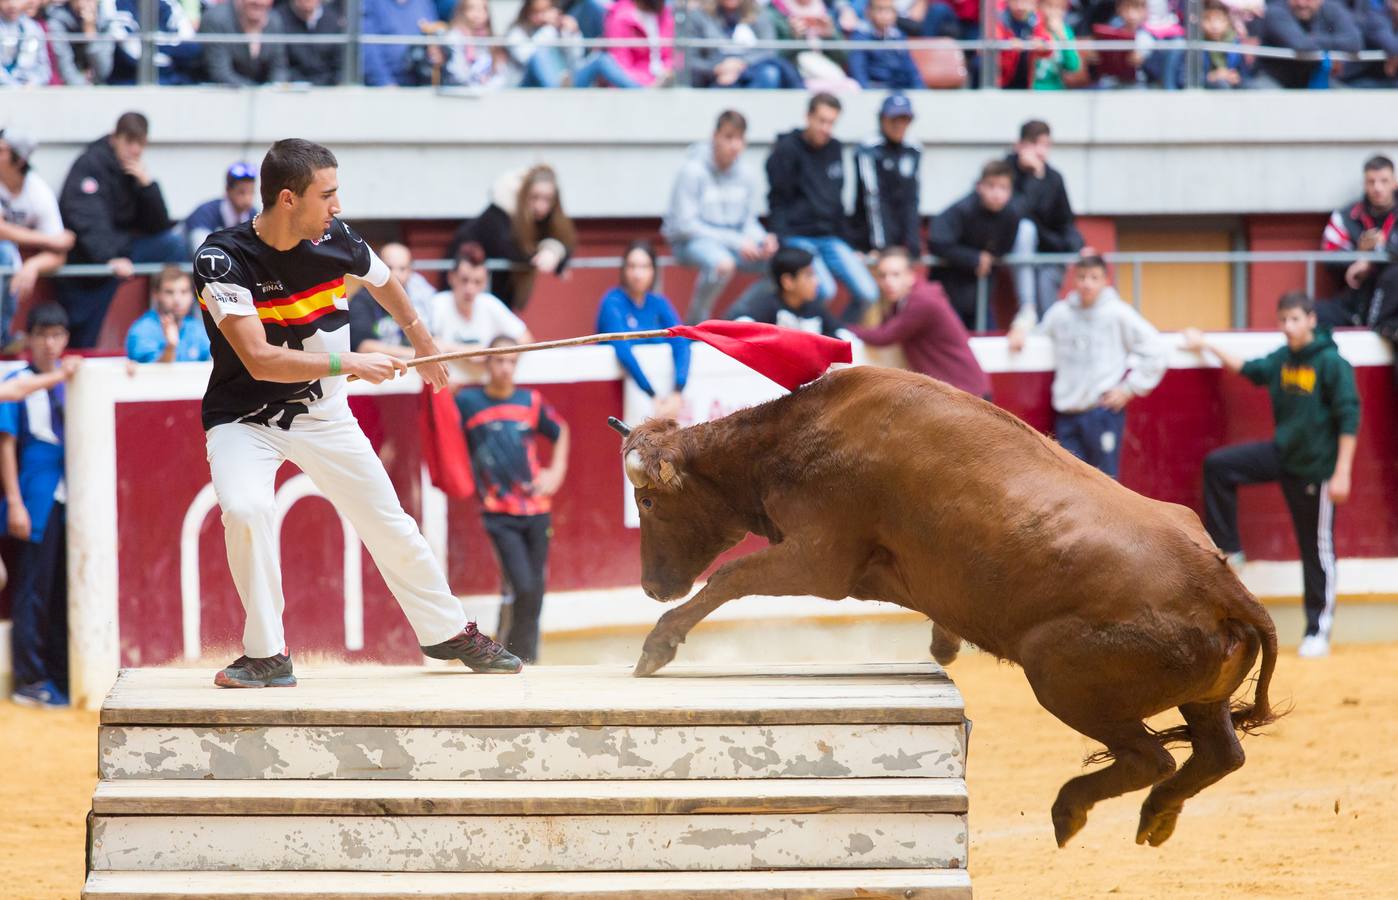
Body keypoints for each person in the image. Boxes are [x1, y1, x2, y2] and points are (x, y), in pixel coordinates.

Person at [192, 138, 520, 687]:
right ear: (289, 199)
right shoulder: (220, 259)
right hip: (244, 420)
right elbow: (259, 359)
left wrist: (422, 338)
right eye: (329, 194)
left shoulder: (337, 237)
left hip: (324, 415)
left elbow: (385, 281)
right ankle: (267, 656)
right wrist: (351, 363)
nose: (339, 206)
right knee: (246, 511)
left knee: (388, 521)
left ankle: (448, 631)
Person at [1183, 291, 1360, 659]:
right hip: (1283, 455)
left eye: (1295, 319)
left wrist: (1342, 471)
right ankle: (1230, 547)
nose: (1288, 327)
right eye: (1282, 320)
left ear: (1311, 320)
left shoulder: (1332, 363)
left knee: (1316, 549)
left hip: (1318, 468)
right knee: (1219, 466)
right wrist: (1207, 345)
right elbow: (1248, 369)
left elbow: (1349, 417)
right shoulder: (1282, 359)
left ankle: (1317, 629)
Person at [456, 335, 569, 663]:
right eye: (498, 360)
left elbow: (560, 430)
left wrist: (555, 471)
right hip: (498, 512)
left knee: (534, 591)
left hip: (537, 510)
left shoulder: (530, 401)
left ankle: (523, 657)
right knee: (522, 586)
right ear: (487, 363)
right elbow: (438, 398)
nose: (505, 368)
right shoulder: (468, 401)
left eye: (511, 361)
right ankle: (513, 655)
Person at [1007, 254, 1166, 479]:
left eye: (1094, 277)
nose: (1087, 283)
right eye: (1082, 277)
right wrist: (1020, 328)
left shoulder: (1118, 313)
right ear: (1073, 279)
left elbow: (1156, 349)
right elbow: (1036, 335)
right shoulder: (1060, 313)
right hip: (1067, 413)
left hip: (1102, 411)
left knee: (1105, 484)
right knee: (1068, 483)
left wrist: (1129, 389)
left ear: (1105, 281)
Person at [2, 305, 83, 708]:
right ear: (31, 338)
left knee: (60, 588)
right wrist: (15, 502)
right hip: (36, 492)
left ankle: (54, 674)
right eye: (43, 335)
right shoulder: (23, 379)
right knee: (33, 587)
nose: (50, 343)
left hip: (71, 492)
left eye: (57, 335)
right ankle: (30, 678)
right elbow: (6, 443)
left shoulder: (71, 381)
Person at [56, 112, 184, 348]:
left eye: (140, 143)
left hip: (122, 250)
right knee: (83, 338)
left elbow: (158, 226)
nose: (135, 150)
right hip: (91, 258)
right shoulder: (91, 164)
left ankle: (180, 325)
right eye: (130, 141)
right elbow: (86, 220)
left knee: (174, 245)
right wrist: (111, 258)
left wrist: (148, 187)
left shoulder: (134, 172)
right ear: (115, 138)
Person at [766, 93, 879, 323]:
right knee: (824, 289)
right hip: (798, 238)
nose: (826, 128)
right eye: (822, 120)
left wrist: (850, 243)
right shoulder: (787, 148)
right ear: (808, 117)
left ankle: (839, 335)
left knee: (869, 293)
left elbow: (836, 203)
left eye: (832, 123)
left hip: (830, 237)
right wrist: (779, 237)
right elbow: (777, 198)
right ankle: (815, 339)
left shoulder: (835, 148)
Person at [662, 110, 775, 324]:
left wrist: (762, 239)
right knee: (722, 263)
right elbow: (685, 226)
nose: (735, 145)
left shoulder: (746, 174)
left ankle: (733, 318)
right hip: (689, 243)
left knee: (780, 265)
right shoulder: (692, 171)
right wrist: (738, 241)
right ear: (715, 136)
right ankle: (696, 325)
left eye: (740, 139)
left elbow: (747, 221)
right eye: (728, 137)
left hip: (732, 243)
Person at [850, 247, 991, 398]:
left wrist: (843, 327)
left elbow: (885, 335)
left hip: (966, 393)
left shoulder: (921, 301)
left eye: (896, 275)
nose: (888, 282)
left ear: (911, 275)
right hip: (958, 392)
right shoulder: (907, 299)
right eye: (883, 276)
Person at [449, 165, 575, 311]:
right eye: (535, 197)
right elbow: (509, 250)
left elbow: (564, 240)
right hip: (469, 283)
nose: (540, 206)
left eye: (548, 199)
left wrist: (554, 250)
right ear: (523, 194)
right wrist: (548, 251)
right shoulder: (499, 213)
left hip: (501, 290)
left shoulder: (547, 218)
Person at [596, 241, 690, 419]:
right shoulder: (612, 302)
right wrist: (651, 394)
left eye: (644, 266)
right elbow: (623, 350)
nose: (637, 274)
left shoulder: (658, 303)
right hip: (617, 398)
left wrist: (678, 390)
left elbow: (681, 341)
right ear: (623, 270)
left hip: (663, 396)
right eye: (632, 266)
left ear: (653, 271)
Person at [927, 159, 1025, 331]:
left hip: (981, 293)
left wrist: (988, 259)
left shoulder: (1011, 215)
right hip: (950, 291)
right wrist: (973, 258)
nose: (997, 194)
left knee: (987, 341)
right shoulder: (962, 210)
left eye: (1003, 188)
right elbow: (937, 241)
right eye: (991, 186)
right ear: (980, 186)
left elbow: (1003, 249)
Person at [0, 130, 75, 348]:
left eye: (2, 150)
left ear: (19, 158)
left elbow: (59, 256)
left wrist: (32, 265)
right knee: (5, 252)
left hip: (14, 265)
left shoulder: (38, 192)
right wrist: (48, 241)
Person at [1007, 120, 1085, 323]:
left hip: (1050, 252)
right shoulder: (1007, 172)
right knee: (1026, 229)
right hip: (1017, 249)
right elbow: (1016, 214)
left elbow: (1066, 222)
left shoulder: (1054, 178)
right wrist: (1035, 179)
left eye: (1046, 145)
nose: (1041, 152)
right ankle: (1027, 307)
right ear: (1020, 145)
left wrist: (1079, 248)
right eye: (1035, 144)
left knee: (1048, 310)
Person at [1318, 155, 1398, 336]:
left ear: (1394, 183)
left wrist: (1378, 254)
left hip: (1392, 304)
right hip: (1355, 300)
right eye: (1371, 181)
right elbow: (1329, 257)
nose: (1377, 188)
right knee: (1310, 314)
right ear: (1364, 183)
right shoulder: (1347, 216)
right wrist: (1358, 255)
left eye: (1384, 181)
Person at [429, 242, 532, 380]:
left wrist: (492, 356)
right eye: (464, 280)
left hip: (485, 385)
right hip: (447, 384)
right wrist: (468, 352)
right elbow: (424, 344)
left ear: (485, 283)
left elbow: (526, 339)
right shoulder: (437, 303)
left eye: (477, 282)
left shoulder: (489, 303)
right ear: (451, 277)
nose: (470, 289)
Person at [503, 0, 640, 87]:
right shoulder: (516, 33)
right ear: (527, 13)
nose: (542, 16)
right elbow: (529, 58)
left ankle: (642, 92)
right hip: (530, 87)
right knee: (539, 54)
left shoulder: (558, 30)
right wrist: (550, 28)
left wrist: (572, 34)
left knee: (601, 60)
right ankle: (558, 95)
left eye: (546, 11)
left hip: (566, 83)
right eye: (537, 12)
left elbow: (576, 63)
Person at [726, 245, 852, 339]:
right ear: (788, 281)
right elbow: (743, 325)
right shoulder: (767, 305)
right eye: (809, 275)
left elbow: (841, 333)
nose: (817, 281)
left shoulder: (815, 308)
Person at [851, 93, 922, 261]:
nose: (899, 125)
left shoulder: (914, 149)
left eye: (904, 119)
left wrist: (913, 242)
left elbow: (912, 199)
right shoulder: (869, 149)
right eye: (893, 119)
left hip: (898, 240)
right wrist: (882, 246)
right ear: (882, 119)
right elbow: (873, 197)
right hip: (869, 241)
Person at [682, 0, 803, 89]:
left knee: (770, 73)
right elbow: (689, 59)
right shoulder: (698, 16)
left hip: (753, 73)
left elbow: (768, 51)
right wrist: (716, 69)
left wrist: (738, 66)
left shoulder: (759, 13)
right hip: (714, 81)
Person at [1257, 0, 1362, 89]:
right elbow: (1301, 46)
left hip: (1314, 82)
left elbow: (1354, 42)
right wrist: (1330, 50)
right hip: (1274, 81)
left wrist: (1314, 40)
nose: (1302, 4)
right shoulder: (1275, 11)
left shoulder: (1331, 8)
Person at [125, 265, 211, 363]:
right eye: (169, 292)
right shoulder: (142, 329)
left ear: (192, 295)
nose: (177, 300)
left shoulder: (196, 327)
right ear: (155, 295)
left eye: (184, 292)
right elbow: (150, 374)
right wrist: (170, 347)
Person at [199, 0, 291, 86]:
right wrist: (256, 92)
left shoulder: (274, 20)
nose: (258, 2)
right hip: (216, 94)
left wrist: (272, 89)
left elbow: (279, 68)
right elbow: (220, 73)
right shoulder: (216, 19)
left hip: (263, 95)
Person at [184, 162, 259, 258]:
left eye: (251, 192)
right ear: (228, 190)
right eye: (241, 192)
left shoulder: (253, 215)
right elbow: (203, 254)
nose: (248, 199)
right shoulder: (206, 213)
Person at [848, 0, 926, 89]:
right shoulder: (860, 36)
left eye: (890, 10)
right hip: (875, 87)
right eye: (880, 9)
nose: (885, 15)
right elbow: (858, 71)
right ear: (868, 12)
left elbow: (910, 68)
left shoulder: (898, 35)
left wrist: (921, 90)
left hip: (900, 88)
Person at [362, 0, 440, 86]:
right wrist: (384, 83)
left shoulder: (424, 3)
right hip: (382, 88)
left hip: (421, 85)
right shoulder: (370, 3)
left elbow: (435, 42)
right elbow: (367, 48)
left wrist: (437, 54)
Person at [44, 0, 121, 86]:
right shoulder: (56, 20)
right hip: (69, 88)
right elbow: (64, 67)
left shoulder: (105, 20)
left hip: (97, 86)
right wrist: (83, 86)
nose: (82, 4)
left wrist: (90, 32)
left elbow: (103, 70)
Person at [602, 0, 676, 87]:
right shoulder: (621, 16)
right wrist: (648, 82)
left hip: (662, 77)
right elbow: (621, 64)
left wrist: (667, 72)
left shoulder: (665, 15)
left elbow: (671, 54)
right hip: (634, 84)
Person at [272, 0, 348, 85]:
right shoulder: (278, 19)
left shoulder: (334, 20)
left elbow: (339, 66)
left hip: (328, 90)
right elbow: (279, 66)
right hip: (291, 89)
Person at [433, 0, 504, 87]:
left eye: (483, 9)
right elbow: (456, 72)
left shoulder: (491, 39)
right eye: (471, 8)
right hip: (460, 92)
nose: (478, 15)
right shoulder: (454, 37)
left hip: (488, 93)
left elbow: (499, 72)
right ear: (462, 11)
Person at [1031, 0, 1084, 89]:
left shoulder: (1066, 31)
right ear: (1038, 7)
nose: (1053, 12)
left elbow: (1073, 66)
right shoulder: (1031, 28)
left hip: (1056, 90)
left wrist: (1063, 38)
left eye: (1059, 8)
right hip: (1032, 90)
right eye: (1049, 6)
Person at [0, 0, 50, 86]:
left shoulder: (34, 28)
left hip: (30, 90)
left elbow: (43, 67)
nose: (12, 5)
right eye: (6, 0)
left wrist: (34, 83)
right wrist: (14, 86)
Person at [1348, 0, 1398, 87]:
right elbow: (1393, 46)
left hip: (1386, 79)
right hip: (1359, 78)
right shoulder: (1374, 17)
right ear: (1389, 2)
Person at [1200, 0, 1249, 88]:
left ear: (1227, 22)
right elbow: (1183, 79)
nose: (1214, 26)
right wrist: (1212, 76)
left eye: (1219, 20)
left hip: (1232, 87)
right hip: (1206, 90)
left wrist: (1235, 77)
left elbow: (1245, 74)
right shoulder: (1196, 45)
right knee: (1222, 84)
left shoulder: (1235, 44)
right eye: (1208, 19)